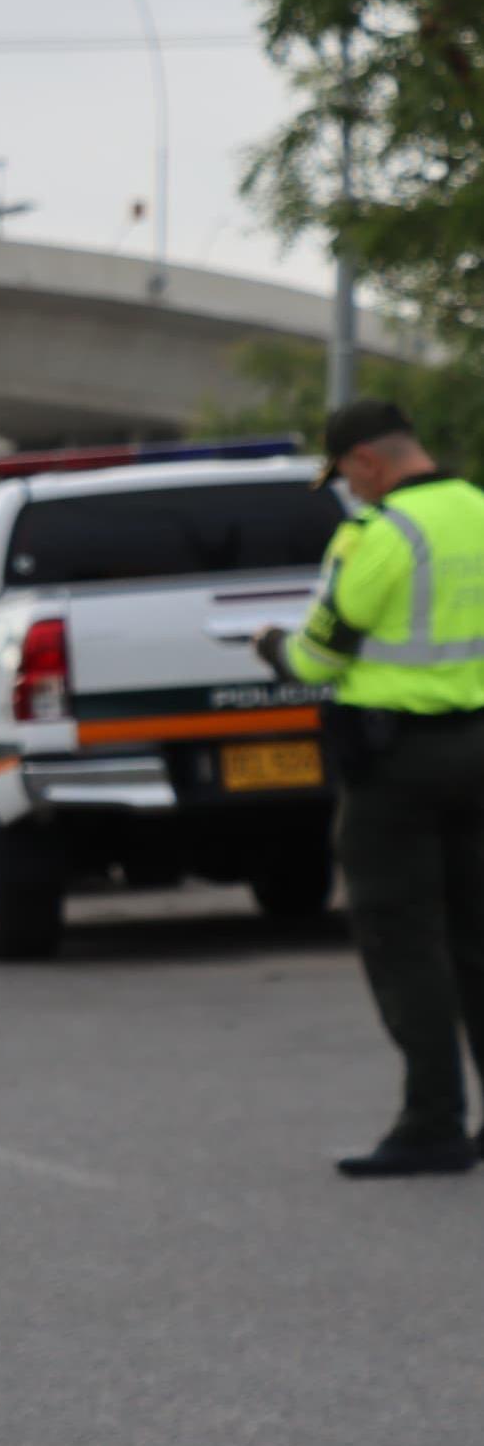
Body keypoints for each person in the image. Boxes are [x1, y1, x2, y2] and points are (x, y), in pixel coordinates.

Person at [255, 398, 484, 1179]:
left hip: (397, 766)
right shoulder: (480, 511)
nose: (349, 494)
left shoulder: (380, 537)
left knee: (402, 940)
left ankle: (431, 1123)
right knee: (478, 939)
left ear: (366, 463)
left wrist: (270, 649)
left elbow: (318, 658)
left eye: (346, 479)